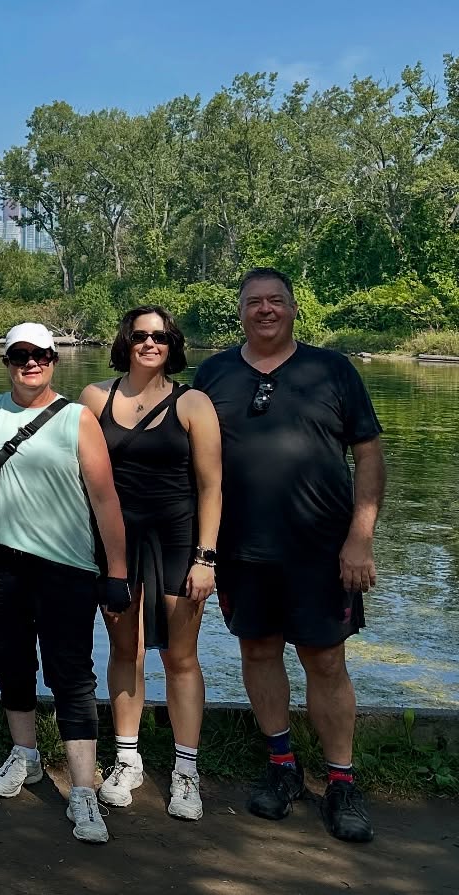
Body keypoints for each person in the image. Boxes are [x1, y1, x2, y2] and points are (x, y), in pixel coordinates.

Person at [193, 268, 384, 843]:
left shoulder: (333, 369)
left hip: (322, 550)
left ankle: (341, 780)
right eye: (254, 301)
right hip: (242, 549)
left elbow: (369, 455)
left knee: (325, 660)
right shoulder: (214, 373)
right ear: (240, 312)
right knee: (257, 650)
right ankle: (282, 766)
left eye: (276, 300)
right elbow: (191, 462)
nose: (266, 309)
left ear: (295, 308)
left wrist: (360, 537)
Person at [0, 323, 131, 844]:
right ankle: (26, 754)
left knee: (71, 674)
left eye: (40, 354)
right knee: (11, 662)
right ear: (6, 362)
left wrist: (117, 572)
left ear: (54, 360)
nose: (30, 363)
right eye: (19, 355)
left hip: (66, 566)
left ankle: (83, 788)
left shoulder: (78, 418)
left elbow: (104, 498)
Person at [79, 307, 222, 821]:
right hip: (116, 544)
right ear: (126, 341)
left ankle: (186, 770)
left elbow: (211, 486)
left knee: (180, 657)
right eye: (140, 335)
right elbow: (77, 476)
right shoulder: (96, 398)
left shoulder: (193, 403)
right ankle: (127, 759)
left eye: (159, 336)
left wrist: (206, 558)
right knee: (126, 650)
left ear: (172, 344)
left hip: (178, 542)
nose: (149, 343)